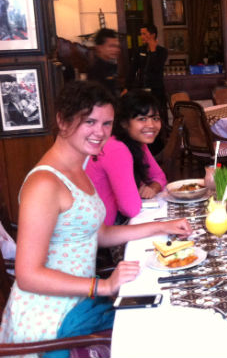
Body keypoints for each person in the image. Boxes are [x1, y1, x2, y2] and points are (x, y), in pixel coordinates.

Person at [0, 81, 191, 345]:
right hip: (51, 321)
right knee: (164, 332)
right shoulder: (44, 183)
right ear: (62, 121)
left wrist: (162, 226)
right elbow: (28, 275)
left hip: (81, 303)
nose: (100, 132)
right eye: (89, 122)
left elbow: (99, 234)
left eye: (106, 123)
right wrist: (103, 286)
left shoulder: (79, 168)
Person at [86, 89, 166, 226]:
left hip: (112, 223)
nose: (151, 125)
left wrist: (153, 188)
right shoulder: (116, 148)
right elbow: (130, 209)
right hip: (104, 229)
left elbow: (160, 177)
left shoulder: (136, 142)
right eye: (142, 119)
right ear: (124, 123)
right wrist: (138, 190)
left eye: (155, 118)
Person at [88, 28, 121, 97]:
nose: (116, 50)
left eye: (117, 46)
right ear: (99, 47)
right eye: (112, 46)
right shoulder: (96, 69)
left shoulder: (111, 65)